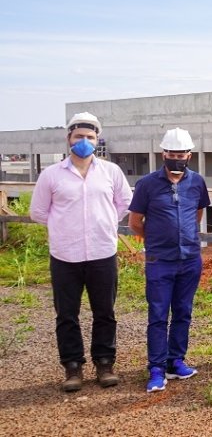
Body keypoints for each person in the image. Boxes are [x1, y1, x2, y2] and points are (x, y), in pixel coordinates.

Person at [30, 112, 132, 392]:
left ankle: (104, 363)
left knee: (105, 312)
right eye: (79, 137)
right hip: (65, 255)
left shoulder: (111, 172)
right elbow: (38, 212)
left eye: (89, 137)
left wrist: (105, 222)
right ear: (69, 139)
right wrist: (65, 227)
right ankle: (72, 367)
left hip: (102, 252)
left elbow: (124, 203)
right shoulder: (51, 175)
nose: (84, 141)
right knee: (66, 314)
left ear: (97, 139)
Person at [128, 128, 210, 393]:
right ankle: (156, 368)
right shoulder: (147, 184)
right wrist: (156, 239)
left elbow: (197, 215)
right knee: (158, 314)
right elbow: (135, 222)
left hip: (189, 259)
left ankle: (176, 361)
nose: (177, 158)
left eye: (181, 154)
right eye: (172, 154)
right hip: (159, 261)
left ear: (189, 155)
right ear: (163, 154)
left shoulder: (196, 182)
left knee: (183, 312)